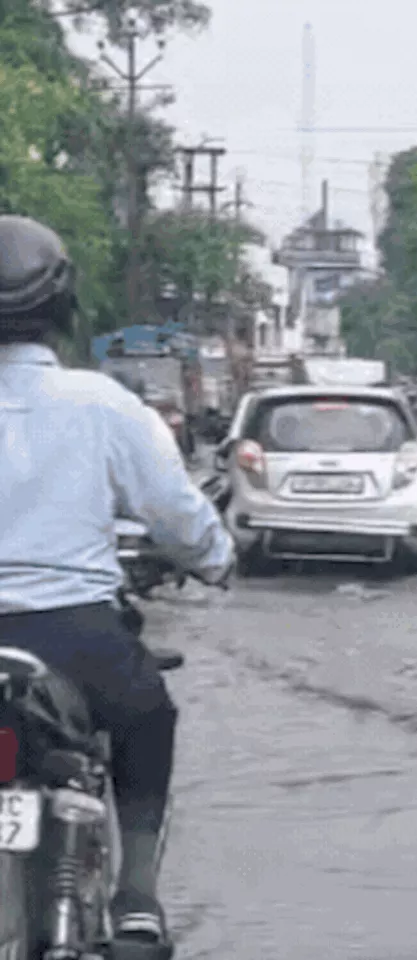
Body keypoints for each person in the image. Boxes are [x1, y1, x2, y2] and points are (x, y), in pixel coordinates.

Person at [0, 216, 235, 956]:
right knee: (146, 718)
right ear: (64, 307)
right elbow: (178, 516)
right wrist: (216, 559)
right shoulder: (102, 404)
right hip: (75, 637)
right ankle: (136, 899)